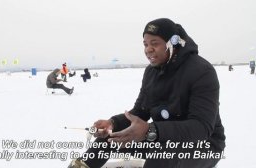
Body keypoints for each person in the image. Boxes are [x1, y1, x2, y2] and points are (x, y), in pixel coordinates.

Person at [68, 18, 225, 168]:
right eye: (145, 44)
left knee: (164, 154)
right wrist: (113, 123)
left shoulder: (202, 71)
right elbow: (140, 112)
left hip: (205, 146)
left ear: (173, 43)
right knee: (110, 138)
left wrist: (150, 130)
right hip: (161, 138)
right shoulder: (151, 72)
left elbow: (201, 128)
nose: (148, 49)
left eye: (154, 43)